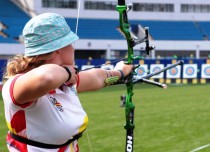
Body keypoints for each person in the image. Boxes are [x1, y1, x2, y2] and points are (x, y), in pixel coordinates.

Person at [2, 13, 133, 151]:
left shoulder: (63, 82)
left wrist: (120, 72)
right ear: (58, 49)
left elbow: (96, 78)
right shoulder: (17, 86)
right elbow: (47, 77)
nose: (73, 48)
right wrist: (68, 72)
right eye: (70, 43)